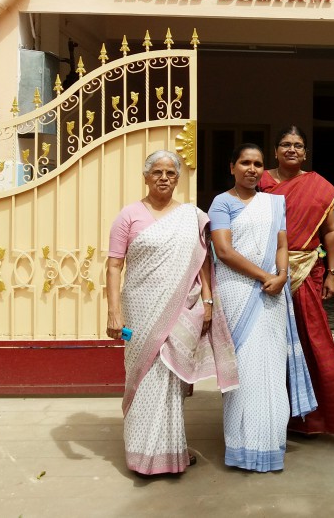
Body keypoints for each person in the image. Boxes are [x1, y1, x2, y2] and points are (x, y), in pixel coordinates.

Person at [105, 150, 238, 476]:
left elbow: (203, 262)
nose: (164, 178)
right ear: (146, 176)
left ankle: (170, 451)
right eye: (157, 172)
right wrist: (113, 312)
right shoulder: (129, 215)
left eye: (171, 173)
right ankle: (141, 455)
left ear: (178, 178)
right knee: (144, 375)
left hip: (181, 307)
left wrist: (208, 301)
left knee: (170, 378)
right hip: (139, 308)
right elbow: (113, 265)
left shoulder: (191, 216)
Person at [208, 143, 316, 472]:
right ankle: (243, 446)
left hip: (272, 294)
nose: (252, 169)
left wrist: (282, 275)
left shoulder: (273, 203)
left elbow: (283, 244)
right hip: (238, 293)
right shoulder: (221, 203)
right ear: (232, 167)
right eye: (245, 163)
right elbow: (224, 251)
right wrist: (267, 276)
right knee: (244, 371)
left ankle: (269, 445)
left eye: (257, 164)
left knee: (270, 370)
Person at [258, 125, 334, 436]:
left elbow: (330, 231)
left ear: (305, 152)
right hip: (263, 273)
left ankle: (313, 420)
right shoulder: (259, 183)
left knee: (310, 342)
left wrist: (332, 272)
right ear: (275, 151)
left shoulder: (318, 186)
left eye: (298, 145)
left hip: (304, 272)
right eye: (285, 144)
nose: (292, 149)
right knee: (265, 347)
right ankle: (268, 416)